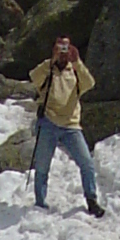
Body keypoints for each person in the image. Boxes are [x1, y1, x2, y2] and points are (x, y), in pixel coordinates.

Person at [26, 36, 105, 217]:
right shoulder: (48, 70)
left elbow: (90, 83)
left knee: (86, 163)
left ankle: (91, 200)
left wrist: (77, 61)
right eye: (60, 47)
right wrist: (51, 60)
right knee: (42, 166)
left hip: (71, 125)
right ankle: (40, 203)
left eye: (66, 47)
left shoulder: (75, 71)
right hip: (48, 122)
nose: (63, 52)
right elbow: (33, 77)